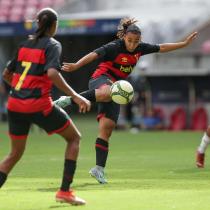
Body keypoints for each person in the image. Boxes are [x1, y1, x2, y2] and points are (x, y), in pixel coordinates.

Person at [55, 18, 197, 184]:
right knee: (107, 92)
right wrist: (76, 66)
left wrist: (184, 44)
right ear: (124, 38)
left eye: (136, 42)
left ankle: (98, 169)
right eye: (129, 41)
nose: (132, 45)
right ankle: (69, 99)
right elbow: (93, 55)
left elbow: (162, 47)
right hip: (101, 78)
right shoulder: (114, 47)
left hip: (117, 87)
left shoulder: (140, 48)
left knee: (106, 129)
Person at [0, 8, 91, 205]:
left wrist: (20, 90)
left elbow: (6, 74)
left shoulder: (24, 44)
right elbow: (52, 73)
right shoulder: (52, 45)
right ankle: (65, 192)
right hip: (38, 105)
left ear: (38, 24)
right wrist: (75, 96)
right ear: (54, 25)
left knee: (14, 154)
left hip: (14, 105)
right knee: (74, 138)